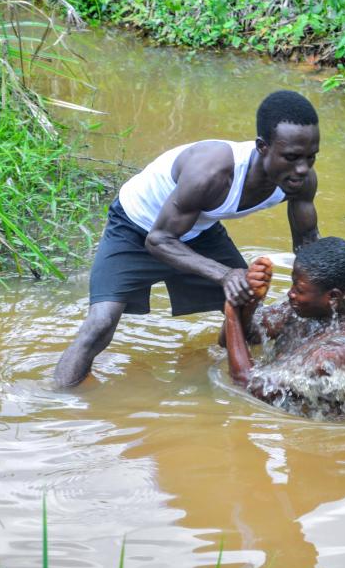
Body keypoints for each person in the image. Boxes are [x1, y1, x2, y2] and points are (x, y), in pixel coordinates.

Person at [54, 90, 322, 388]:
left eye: (310, 158)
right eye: (291, 158)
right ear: (262, 147)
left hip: (199, 229)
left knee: (248, 305)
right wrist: (224, 274)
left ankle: (230, 375)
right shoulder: (212, 172)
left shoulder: (300, 181)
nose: (302, 169)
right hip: (136, 227)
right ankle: (57, 402)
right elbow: (158, 240)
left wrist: (335, 283)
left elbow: (308, 243)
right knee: (101, 323)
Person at [222, 237, 345, 419]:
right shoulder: (301, 311)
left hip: (320, 437)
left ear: (332, 297)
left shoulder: (339, 350)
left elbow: (250, 385)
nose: (290, 293)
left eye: (299, 289)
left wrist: (232, 310)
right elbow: (244, 337)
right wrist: (250, 300)